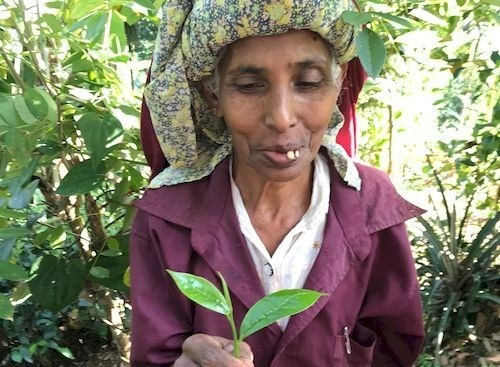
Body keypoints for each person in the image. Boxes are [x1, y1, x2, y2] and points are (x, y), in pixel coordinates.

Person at [130, 1, 425, 366]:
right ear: (213, 95)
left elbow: (395, 347)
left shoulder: (372, 204)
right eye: (250, 86)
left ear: (338, 85)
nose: (282, 118)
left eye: (309, 83)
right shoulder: (166, 220)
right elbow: (154, 355)